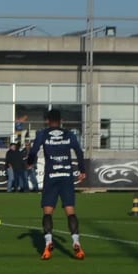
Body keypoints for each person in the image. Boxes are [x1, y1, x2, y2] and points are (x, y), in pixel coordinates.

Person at [28, 109, 86, 260]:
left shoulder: (42, 134)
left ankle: (48, 243)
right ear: (61, 121)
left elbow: (33, 152)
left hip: (51, 176)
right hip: (66, 176)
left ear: (47, 120)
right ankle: (76, 242)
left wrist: (29, 162)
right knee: (70, 211)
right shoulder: (69, 134)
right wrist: (82, 170)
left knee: (48, 212)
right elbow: (79, 152)